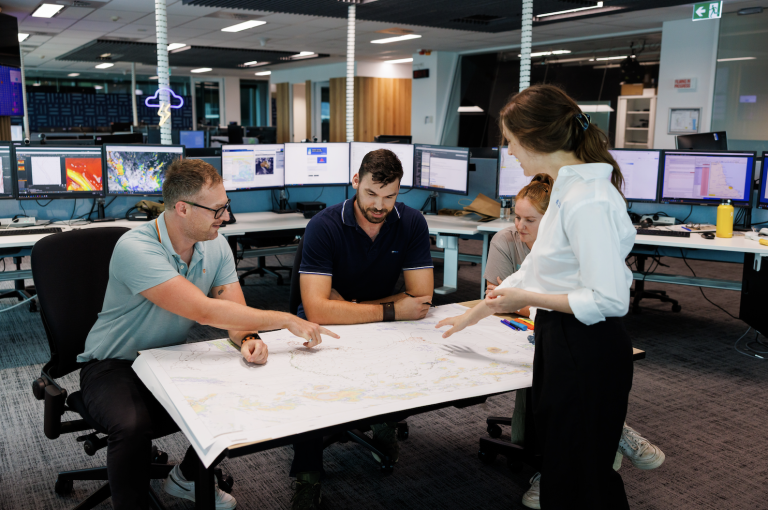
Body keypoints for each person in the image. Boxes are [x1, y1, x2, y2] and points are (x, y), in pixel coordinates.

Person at [77, 159, 338, 510]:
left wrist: (249, 339)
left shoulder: (214, 244)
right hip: (113, 364)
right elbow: (202, 310)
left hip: (168, 358)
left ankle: (187, 476)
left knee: (248, 385)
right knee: (132, 425)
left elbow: (234, 315)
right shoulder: (136, 248)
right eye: (217, 210)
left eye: (225, 206)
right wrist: (284, 319)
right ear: (182, 208)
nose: (225, 217)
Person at [437, 84, 638, 509]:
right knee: (565, 469)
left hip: (587, 345)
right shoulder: (565, 189)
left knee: (582, 477)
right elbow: (538, 268)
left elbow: (609, 300)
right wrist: (476, 312)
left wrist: (526, 298)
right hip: (561, 337)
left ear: (535, 138)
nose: (509, 151)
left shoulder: (588, 200)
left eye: (510, 141)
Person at [484, 174, 665, 509]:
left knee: (573, 411)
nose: (520, 226)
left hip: (576, 338)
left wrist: (527, 299)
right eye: (517, 217)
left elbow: (587, 302)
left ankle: (583, 454)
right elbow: (498, 295)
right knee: (557, 407)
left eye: (530, 219)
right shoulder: (512, 243)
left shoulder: (576, 249)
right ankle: (591, 448)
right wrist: (526, 301)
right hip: (539, 332)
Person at [290, 149, 434, 510]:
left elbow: (421, 299)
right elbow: (317, 309)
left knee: (415, 358)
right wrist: (391, 309)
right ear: (356, 181)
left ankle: (384, 420)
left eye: (389, 196)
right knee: (311, 378)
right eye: (371, 194)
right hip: (323, 326)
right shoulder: (324, 225)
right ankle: (308, 476)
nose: (379, 206)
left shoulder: (412, 222)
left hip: (375, 318)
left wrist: (350, 308)